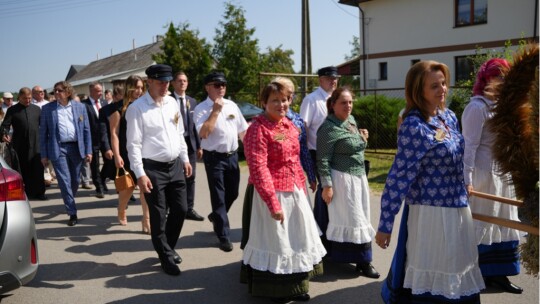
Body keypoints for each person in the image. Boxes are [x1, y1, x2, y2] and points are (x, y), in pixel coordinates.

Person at [375, 61, 485, 303]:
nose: (442, 89)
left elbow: (457, 156)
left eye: (444, 83)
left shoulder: (449, 117)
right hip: (431, 213)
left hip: (457, 207)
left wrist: (464, 182)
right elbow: (399, 176)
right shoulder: (414, 126)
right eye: (434, 85)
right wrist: (385, 223)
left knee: (458, 266)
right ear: (418, 91)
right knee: (437, 272)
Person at [241, 81, 326, 303]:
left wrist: (305, 181)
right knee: (277, 241)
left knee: (297, 238)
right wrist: (273, 203)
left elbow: (296, 157)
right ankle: (276, 290)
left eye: (285, 99)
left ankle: (297, 285)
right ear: (264, 102)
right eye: (275, 100)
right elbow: (258, 169)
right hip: (272, 192)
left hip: (295, 190)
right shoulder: (257, 129)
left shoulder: (289, 126)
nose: (282, 104)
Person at [462, 58, 523, 294]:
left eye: (505, 76)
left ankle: (499, 275)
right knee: (483, 224)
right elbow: (469, 147)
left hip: (502, 175)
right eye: (498, 75)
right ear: (486, 79)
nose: (502, 80)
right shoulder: (477, 108)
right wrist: (467, 180)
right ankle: (476, 274)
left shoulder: (503, 105)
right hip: (482, 175)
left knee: (504, 223)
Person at [125, 64, 191, 276]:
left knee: (181, 209)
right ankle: (165, 257)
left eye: (167, 82)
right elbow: (133, 144)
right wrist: (140, 174)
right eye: (161, 82)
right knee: (159, 214)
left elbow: (179, 133)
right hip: (152, 169)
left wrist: (185, 158)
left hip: (175, 166)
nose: (165, 86)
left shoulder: (172, 102)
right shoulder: (137, 108)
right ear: (149, 82)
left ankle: (168, 248)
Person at [316, 87, 379, 278]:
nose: (348, 106)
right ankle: (363, 260)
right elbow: (323, 159)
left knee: (361, 217)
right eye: (343, 102)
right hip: (340, 179)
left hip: (358, 178)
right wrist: (327, 186)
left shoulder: (351, 121)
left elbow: (356, 147)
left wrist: (363, 138)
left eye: (350, 102)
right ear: (333, 104)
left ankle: (360, 259)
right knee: (352, 219)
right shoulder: (327, 128)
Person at [193, 71, 248, 252]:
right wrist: (215, 112)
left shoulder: (232, 105)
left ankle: (216, 216)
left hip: (232, 156)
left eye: (223, 85)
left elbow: (243, 131)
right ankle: (223, 235)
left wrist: (250, 151)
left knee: (232, 193)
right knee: (218, 197)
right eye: (217, 85)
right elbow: (204, 133)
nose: (221, 88)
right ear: (207, 87)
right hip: (214, 158)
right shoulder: (201, 109)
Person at [40, 81, 92, 226]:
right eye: (55, 91)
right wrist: (43, 155)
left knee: (75, 180)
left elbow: (86, 130)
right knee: (64, 180)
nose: (56, 93)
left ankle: (69, 200)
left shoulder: (80, 107)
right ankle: (72, 212)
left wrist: (89, 151)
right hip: (58, 148)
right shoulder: (47, 109)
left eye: (59, 90)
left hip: (76, 147)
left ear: (68, 92)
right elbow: (43, 133)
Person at [300, 66, 340, 249]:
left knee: (334, 192)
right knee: (325, 190)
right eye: (329, 78)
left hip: (338, 153)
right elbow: (303, 129)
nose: (333, 81)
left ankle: (329, 231)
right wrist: (306, 160)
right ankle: (319, 233)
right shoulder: (311, 100)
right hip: (317, 152)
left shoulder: (337, 99)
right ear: (320, 80)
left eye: (335, 78)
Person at [110, 75, 150, 231]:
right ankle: (121, 208)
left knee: (145, 187)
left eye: (141, 87)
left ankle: (146, 219)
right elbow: (114, 133)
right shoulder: (119, 108)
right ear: (128, 88)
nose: (139, 91)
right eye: (136, 87)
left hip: (145, 152)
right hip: (127, 154)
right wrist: (117, 155)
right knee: (128, 188)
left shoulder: (145, 106)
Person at [1, 87, 46, 200]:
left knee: (37, 168)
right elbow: (5, 125)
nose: (27, 100)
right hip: (20, 144)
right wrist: (4, 134)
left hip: (36, 144)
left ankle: (40, 192)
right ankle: (25, 193)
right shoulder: (12, 110)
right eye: (25, 98)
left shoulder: (37, 109)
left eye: (29, 98)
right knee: (22, 169)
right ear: (19, 97)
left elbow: (44, 126)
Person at [171, 71, 204, 221]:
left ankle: (189, 209)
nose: (182, 83)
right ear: (173, 83)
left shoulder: (192, 101)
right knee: (173, 178)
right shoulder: (168, 100)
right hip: (173, 145)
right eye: (179, 81)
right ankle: (172, 208)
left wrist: (199, 146)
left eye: (184, 81)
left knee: (191, 177)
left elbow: (194, 126)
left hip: (189, 144)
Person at [82, 82, 108, 198]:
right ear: (91, 92)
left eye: (101, 90)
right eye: (98, 91)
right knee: (95, 165)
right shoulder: (84, 105)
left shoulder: (104, 103)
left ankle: (101, 179)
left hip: (105, 138)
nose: (101, 93)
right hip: (92, 140)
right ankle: (99, 188)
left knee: (110, 162)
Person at [99, 85, 123, 190]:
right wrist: (107, 148)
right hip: (111, 142)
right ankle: (102, 179)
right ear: (114, 96)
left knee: (122, 168)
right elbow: (103, 131)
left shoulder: (128, 108)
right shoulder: (105, 110)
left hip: (125, 143)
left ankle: (124, 190)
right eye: (120, 96)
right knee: (110, 165)